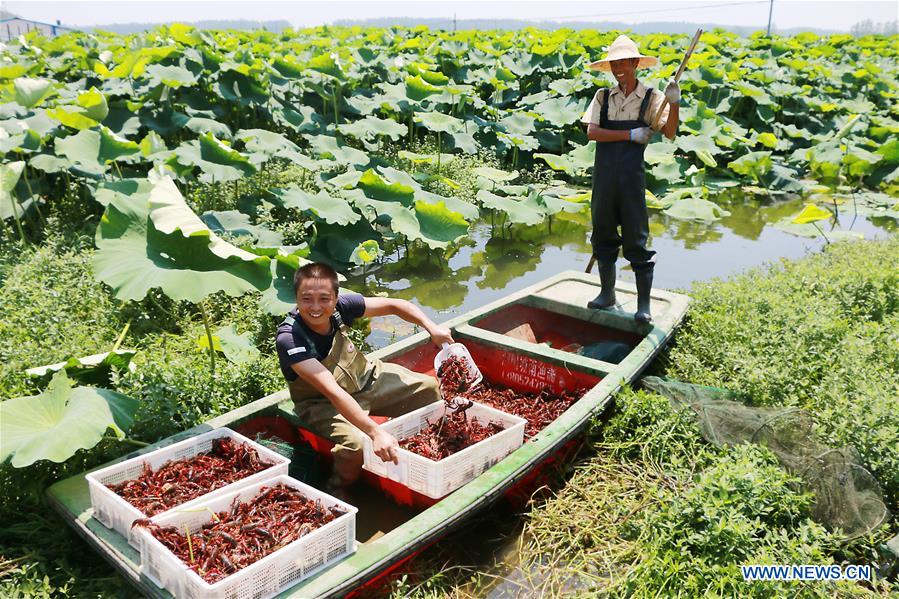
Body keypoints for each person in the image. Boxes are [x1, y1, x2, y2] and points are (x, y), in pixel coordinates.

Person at [275, 262, 453, 496]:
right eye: (306, 299)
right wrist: (374, 432)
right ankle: (337, 486)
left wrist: (432, 327)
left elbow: (395, 305)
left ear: (336, 297)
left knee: (430, 389)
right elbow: (332, 391)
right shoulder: (290, 339)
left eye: (324, 299)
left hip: (366, 377)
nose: (315, 307)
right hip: (322, 403)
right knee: (355, 444)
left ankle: (420, 448)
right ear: (296, 299)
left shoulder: (343, 307)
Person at [581, 34, 680, 324]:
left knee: (637, 238)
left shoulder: (652, 98)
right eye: (614, 63)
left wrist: (674, 103)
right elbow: (592, 132)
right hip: (603, 179)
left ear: (636, 63)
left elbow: (670, 132)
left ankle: (644, 305)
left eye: (624, 61)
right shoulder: (602, 97)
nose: (619, 67)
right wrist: (629, 134)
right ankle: (606, 294)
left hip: (631, 179)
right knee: (603, 234)